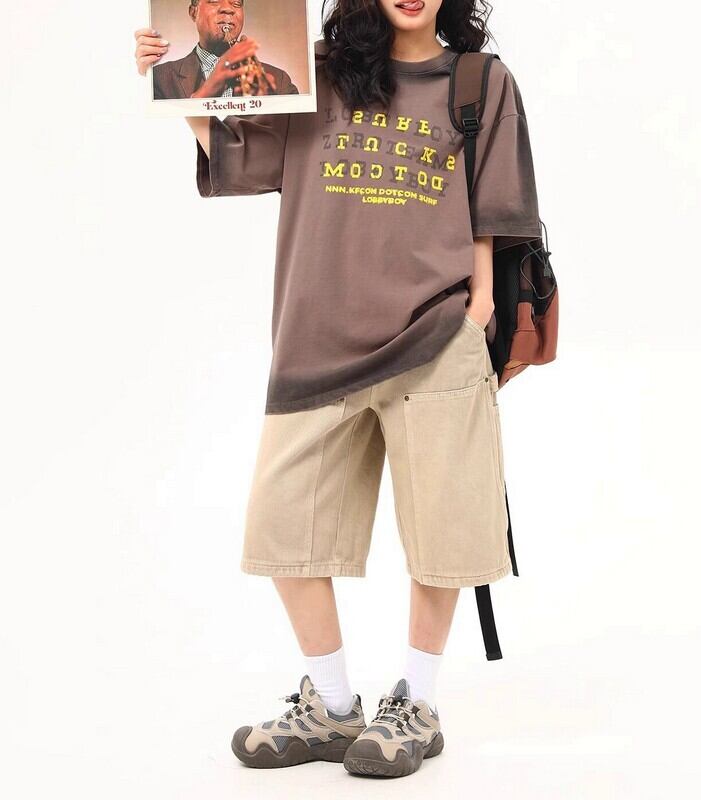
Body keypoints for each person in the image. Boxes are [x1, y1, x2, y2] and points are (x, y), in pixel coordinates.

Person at [134, 0, 540, 779]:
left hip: (435, 334)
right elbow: (244, 159)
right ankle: (330, 705)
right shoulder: (314, 74)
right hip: (317, 339)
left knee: (443, 535)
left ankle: (416, 703)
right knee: (283, 528)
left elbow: (497, 206)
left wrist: (478, 310)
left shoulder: (480, 82)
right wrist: (173, 83)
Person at [148, 0, 298, 99]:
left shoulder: (280, 81)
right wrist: (205, 94)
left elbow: (297, 133)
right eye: (214, 0)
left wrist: (268, 108)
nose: (228, 9)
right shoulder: (158, 79)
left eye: (236, 3)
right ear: (193, 12)